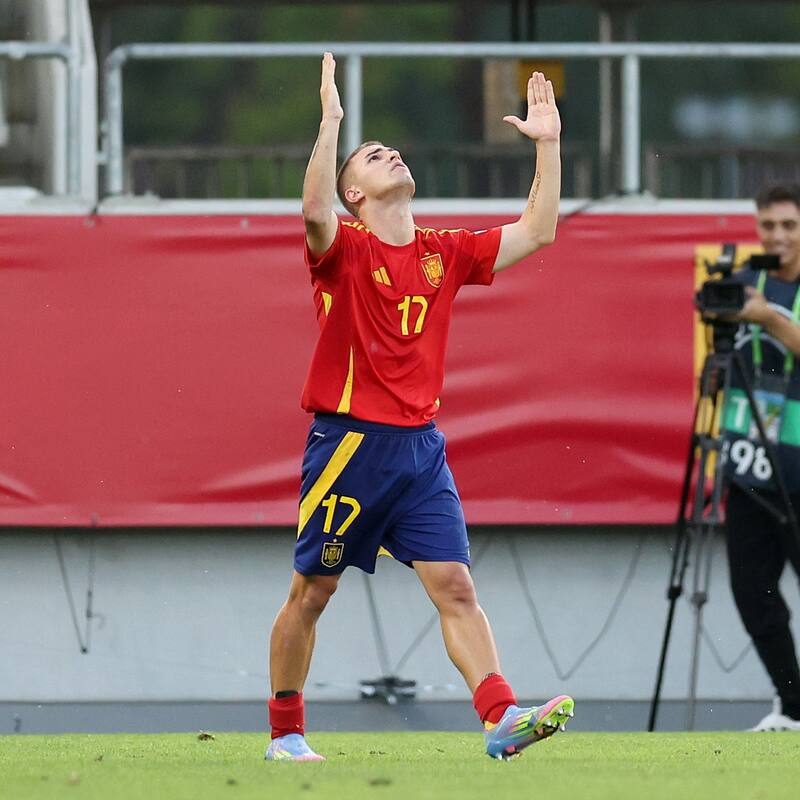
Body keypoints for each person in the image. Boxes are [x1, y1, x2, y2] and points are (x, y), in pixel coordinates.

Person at [265, 52, 573, 762]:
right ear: (357, 195)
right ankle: (285, 734)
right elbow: (312, 210)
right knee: (311, 594)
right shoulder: (343, 249)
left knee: (456, 587)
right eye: (371, 157)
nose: (389, 154)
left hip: (419, 448)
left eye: (390, 149)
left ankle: (500, 718)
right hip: (348, 446)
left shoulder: (446, 253)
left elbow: (538, 231)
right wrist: (331, 123)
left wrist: (549, 147)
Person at [723, 183, 800, 732]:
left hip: (799, 467)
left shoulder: (765, 298)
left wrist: (769, 318)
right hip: (749, 465)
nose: (778, 236)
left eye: (789, 226)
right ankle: (792, 706)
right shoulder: (745, 279)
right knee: (754, 593)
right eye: (769, 225)